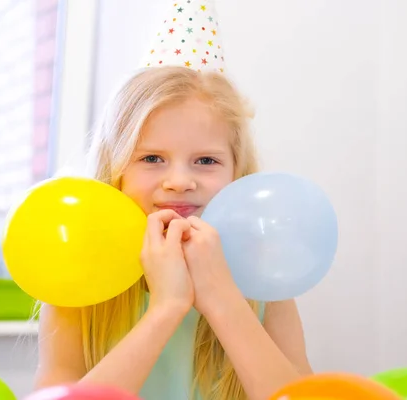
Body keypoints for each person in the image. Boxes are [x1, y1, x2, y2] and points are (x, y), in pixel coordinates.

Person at [34, 65, 313, 400]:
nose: (180, 181)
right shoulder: (78, 283)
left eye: (206, 161)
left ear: (237, 175)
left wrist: (222, 300)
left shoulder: (262, 280)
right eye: (152, 158)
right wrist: (167, 308)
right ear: (114, 172)